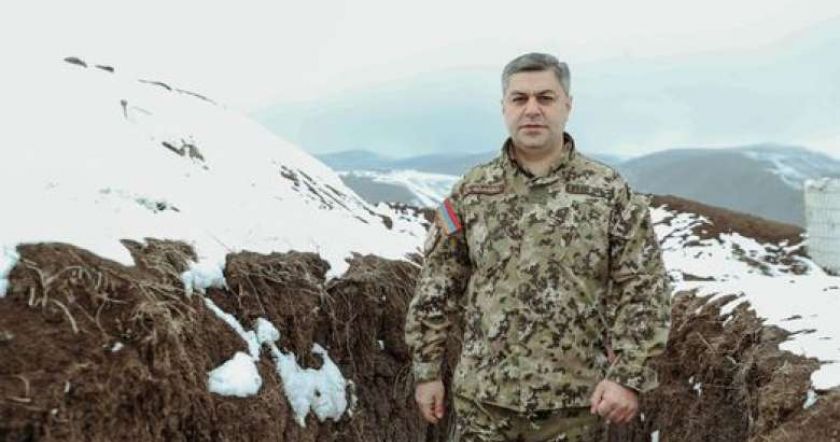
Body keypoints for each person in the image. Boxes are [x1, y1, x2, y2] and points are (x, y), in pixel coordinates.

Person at [404, 52, 672, 442]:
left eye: (545, 98)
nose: (532, 109)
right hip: (483, 405)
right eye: (520, 99)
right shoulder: (472, 192)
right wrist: (427, 371)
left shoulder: (608, 192)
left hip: (575, 410)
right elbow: (437, 284)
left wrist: (627, 377)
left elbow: (644, 286)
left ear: (567, 105)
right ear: (504, 107)